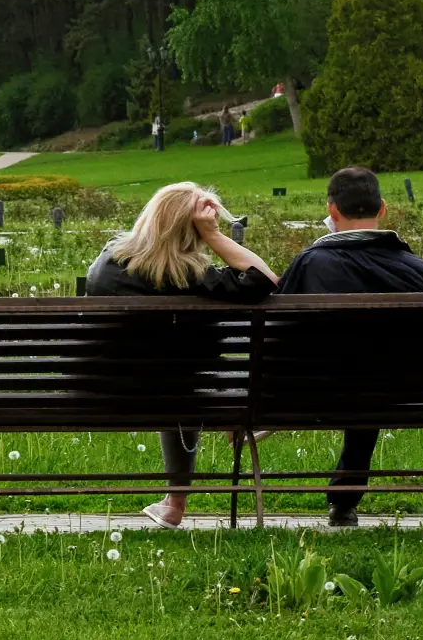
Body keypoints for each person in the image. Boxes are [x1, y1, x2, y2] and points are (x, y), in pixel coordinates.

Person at [85, 182, 279, 527]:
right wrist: (215, 235)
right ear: (191, 232)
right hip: (179, 395)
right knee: (181, 387)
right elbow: (265, 279)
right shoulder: (190, 275)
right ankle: (176, 501)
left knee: (173, 383)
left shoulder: (107, 261)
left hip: (101, 392)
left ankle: (173, 504)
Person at [277, 166, 423, 526]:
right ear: (382, 208)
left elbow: (278, 335)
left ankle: (344, 499)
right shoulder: (417, 269)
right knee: (372, 375)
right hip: (399, 392)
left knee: (354, 372)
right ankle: (344, 500)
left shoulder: (311, 263)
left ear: (332, 211)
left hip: (320, 391)